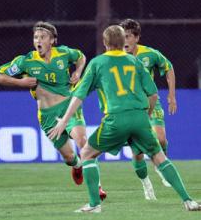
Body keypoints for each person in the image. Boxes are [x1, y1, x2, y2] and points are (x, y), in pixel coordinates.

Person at [48, 25, 201, 213]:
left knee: (87, 153)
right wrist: (146, 115)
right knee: (159, 156)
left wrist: (64, 120)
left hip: (116, 119)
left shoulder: (98, 63)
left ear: (105, 43)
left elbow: (78, 96)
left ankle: (95, 205)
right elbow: (153, 94)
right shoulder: (135, 61)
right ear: (123, 42)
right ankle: (188, 201)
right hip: (140, 117)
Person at [0, 21, 106, 199]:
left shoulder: (63, 53)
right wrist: (20, 82)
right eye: (36, 37)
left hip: (69, 106)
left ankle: (97, 187)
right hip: (47, 116)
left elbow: (81, 57)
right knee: (69, 157)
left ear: (52, 40)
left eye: (43, 37)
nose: (38, 40)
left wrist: (78, 72)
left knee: (82, 142)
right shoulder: (26, 61)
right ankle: (77, 166)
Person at [119, 19, 177, 199]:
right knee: (137, 152)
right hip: (129, 108)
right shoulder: (114, 57)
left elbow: (168, 68)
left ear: (136, 37)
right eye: (122, 36)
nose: (124, 40)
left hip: (151, 102)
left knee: (160, 138)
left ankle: (160, 166)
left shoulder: (150, 54)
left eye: (127, 36)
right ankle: (146, 184)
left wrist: (171, 96)